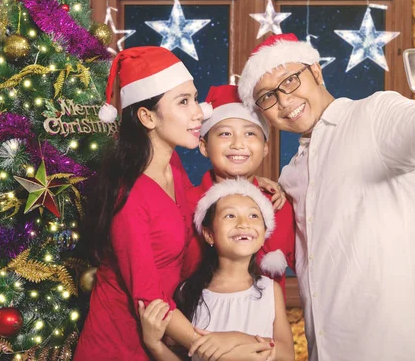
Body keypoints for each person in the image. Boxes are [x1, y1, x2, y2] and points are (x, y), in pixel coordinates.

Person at [237, 33, 415, 361]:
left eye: (290, 80)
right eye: (267, 97)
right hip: (326, 349)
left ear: (316, 72)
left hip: (390, 346)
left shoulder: (375, 115)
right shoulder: (290, 174)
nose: (285, 101)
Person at [75, 46, 206, 360]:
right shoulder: (130, 197)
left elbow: (197, 211)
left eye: (195, 98)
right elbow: (150, 300)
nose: (198, 112)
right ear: (147, 117)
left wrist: (248, 185)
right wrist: (212, 346)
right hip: (118, 346)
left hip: (161, 339)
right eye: (183, 102)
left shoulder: (172, 166)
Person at [140, 179, 295, 361]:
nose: (243, 223)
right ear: (208, 234)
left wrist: (234, 339)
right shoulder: (187, 292)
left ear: (264, 233)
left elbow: (286, 355)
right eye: (230, 216)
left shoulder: (270, 290)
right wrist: (155, 346)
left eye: (253, 216)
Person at [183, 84, 296, 295]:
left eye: (250, 133)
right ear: (204, 146)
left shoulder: (280, 206)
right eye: (225, 134)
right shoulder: (184, 204)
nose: (238, 144)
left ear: (265, 148)